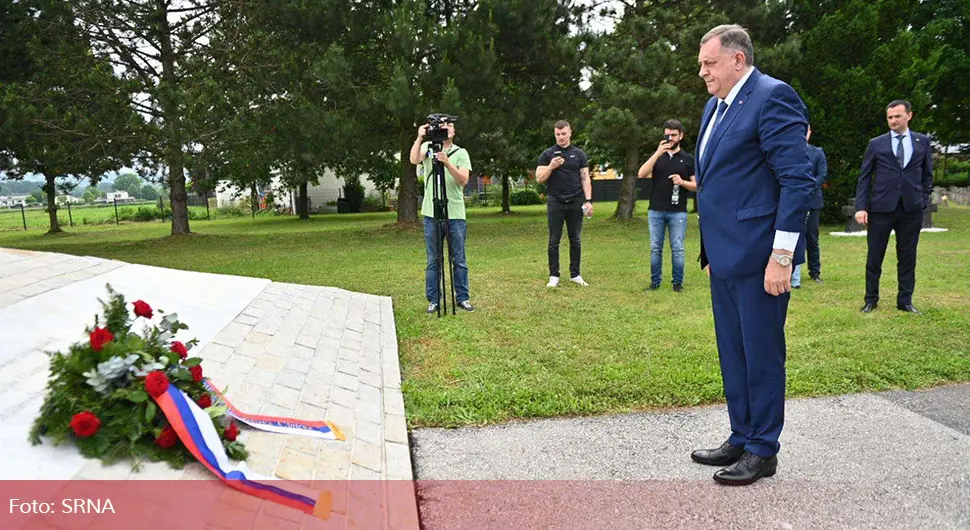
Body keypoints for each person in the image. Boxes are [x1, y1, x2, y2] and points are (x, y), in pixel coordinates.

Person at [690, 24, 814, 486]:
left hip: (761, 258)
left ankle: (763, 450)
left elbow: (796, 180)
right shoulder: (714, 105)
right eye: (702, 63)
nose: (702, 71)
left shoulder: (772, 96)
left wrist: (782, 256)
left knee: (761, 354)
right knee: (734, 352)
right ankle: (742, 434)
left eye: (709, 62)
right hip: (723, 256)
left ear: (737, 60)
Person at [854, 100, 934, 315]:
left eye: (897, 116)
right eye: (890, 117)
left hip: (911, 210)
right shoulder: (876, 144)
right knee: (874, 256)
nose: (893, 121)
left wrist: (923, 199)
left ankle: (905, 301)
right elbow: (864, 178)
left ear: (909, 115)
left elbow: (928, 175)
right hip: (881, 208)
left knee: (907, 256)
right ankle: (871, 299)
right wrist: (861, 207)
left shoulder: (923, 142)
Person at [410, 120, 475, 313]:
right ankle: (434, 299)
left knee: (459, 259)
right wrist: (420, 136)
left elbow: (463, 180)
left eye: (449, 125)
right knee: (433, 259)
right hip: (432, 212)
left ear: (454, 131)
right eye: (441, 125)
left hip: (454, 213)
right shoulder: (426, 147)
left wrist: (447, 163)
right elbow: (414, 160)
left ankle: (462, 297)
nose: (445, 128)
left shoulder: (461, 153)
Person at [637, 119, 696, 292]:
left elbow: (696, 185)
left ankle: (677, 284)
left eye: (673, 135)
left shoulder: (688, 159)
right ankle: (655, 283)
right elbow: (641, 173)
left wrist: (682, 182)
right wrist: (657, 153)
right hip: (655, 210)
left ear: (681, 136)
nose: (670, 138)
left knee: (677, 248)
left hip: (678, 211)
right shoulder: (658, 156)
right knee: (656, 248)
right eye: (667, 135)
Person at [536, 120, 592, 287]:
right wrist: (551, 166)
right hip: (555, 201)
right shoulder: (547, 154)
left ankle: (575, 274)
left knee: (575, 238)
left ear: (570, 133)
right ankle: (554, 275)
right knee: (554, 239)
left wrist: (588, 200)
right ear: (555, 135)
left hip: (575, 200)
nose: (561, 137)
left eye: (563, 133)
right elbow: (539, 178)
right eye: (557, 134)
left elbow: (585, 178)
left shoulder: (579, 154)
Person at [792, 125, 828, 288]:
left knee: (812, 238)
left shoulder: (817, 152)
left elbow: (822, 175)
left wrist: (805, 187)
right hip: (793, 202)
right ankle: (792, 272)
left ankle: (815, 272)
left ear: (809, 133)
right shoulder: (789, 152)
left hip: (812, 201)